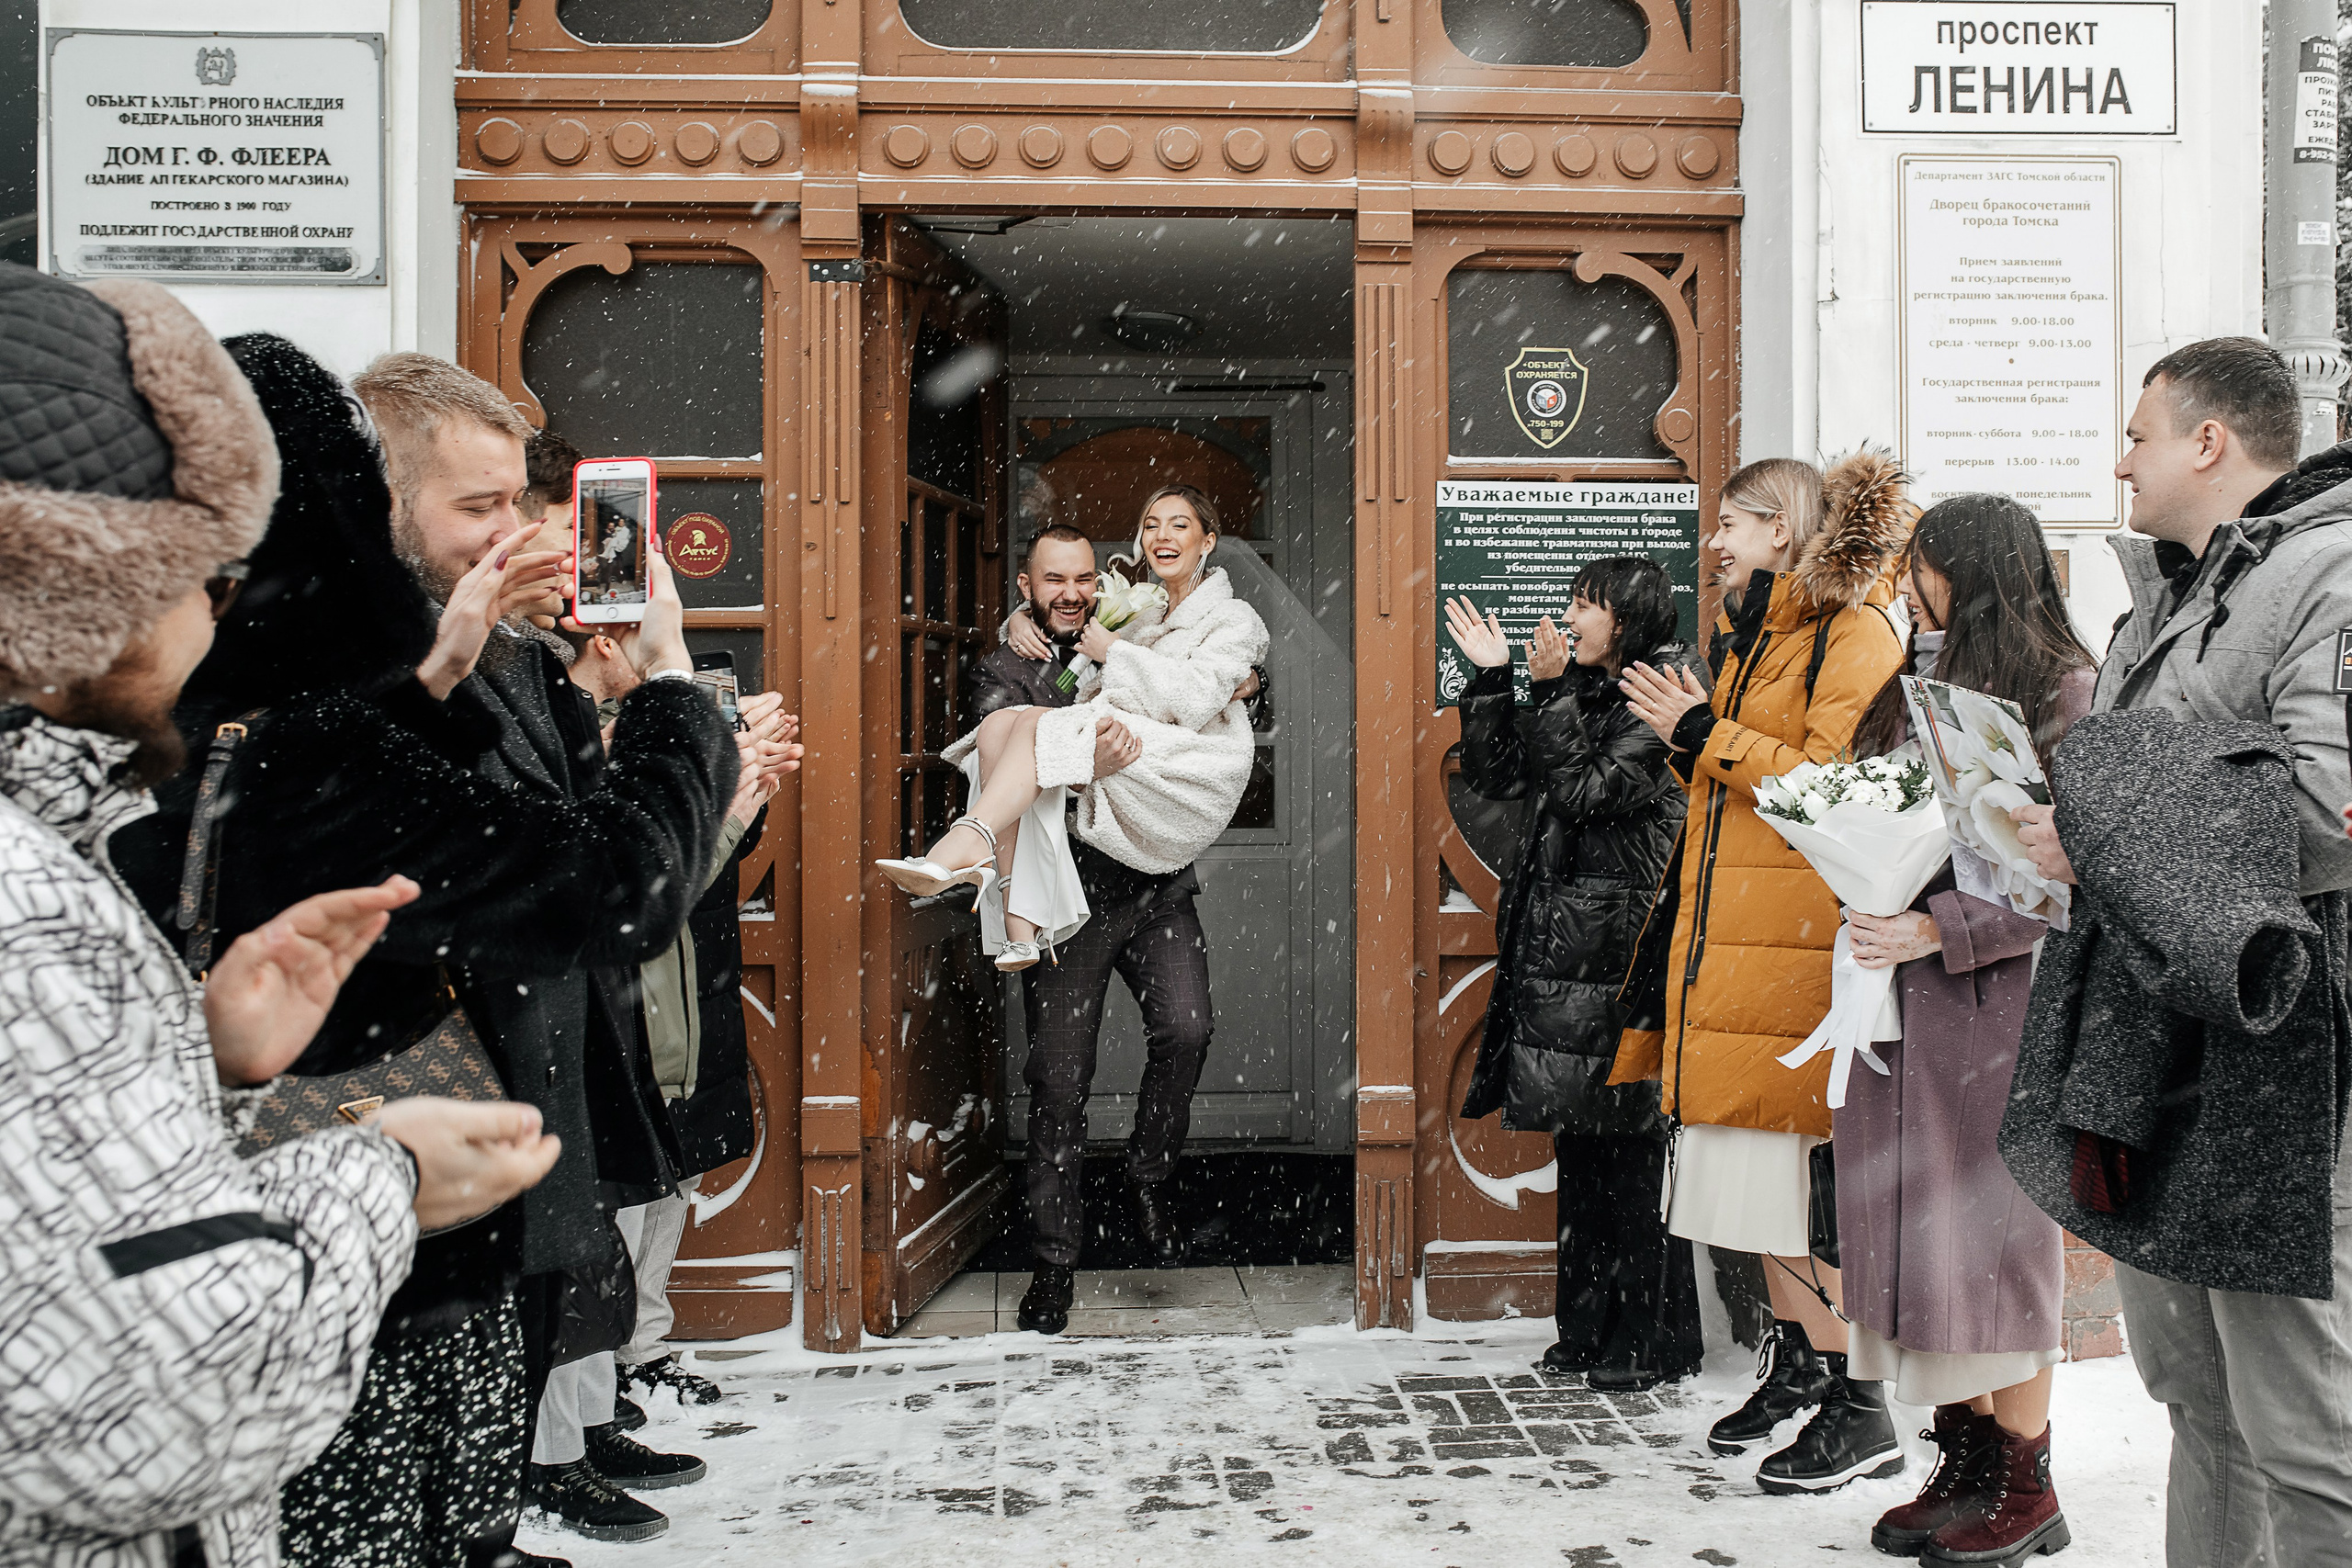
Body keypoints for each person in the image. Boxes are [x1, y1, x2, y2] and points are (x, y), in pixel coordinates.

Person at [108, 340, 737, 1562]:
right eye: (482, 505)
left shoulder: (282, 693)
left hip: (413, 1203)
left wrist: (442, 664)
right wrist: (670, 689)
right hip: (358, 1244)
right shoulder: (287, 720)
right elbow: (608, 887)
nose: (522, 532)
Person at [0, 265, 559, 1568]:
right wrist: (384, 1172)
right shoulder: (26, 897)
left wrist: (197, 1053)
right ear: (86, 584)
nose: (218, 612)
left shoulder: (51, 840)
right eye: (203, 574)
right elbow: (146, 1404)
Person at [2007, 337, 2352, 1568]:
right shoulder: (2171, 587)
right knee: (2199, 1402)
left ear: (2210, 440)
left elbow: (2327, 816)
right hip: (2156, 1037)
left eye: (2138, 433)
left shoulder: (2331, 576)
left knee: (2307, 1434)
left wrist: (2106, 824)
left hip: (2282, 1050)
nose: (2118, 461)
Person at [1614, 450, 1911, 1494]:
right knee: (1750, 1185)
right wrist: (1692, 733)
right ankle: (1802, 1368)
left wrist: (1701, 731)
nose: (1715, 539)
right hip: (1732, 941)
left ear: (1781, 529)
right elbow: (1736, 772)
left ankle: (1858, 1401)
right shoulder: (1766, 630)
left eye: (1733, 521)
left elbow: (1836, 787)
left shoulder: (1854, 631)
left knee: (1796, 1185)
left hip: (1790, 946)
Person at [1831, 496, 2097, 1562]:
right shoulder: (1913, 684)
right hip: (1897, 996)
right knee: (1916, 1240)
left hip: (1993, 1007)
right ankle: (1966, 1457)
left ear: (1972, 571)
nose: (1909, 580)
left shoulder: (2060, 693)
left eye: (1923, 564)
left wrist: (1933, 925)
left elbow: (2063, 877)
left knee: (1992, 1241)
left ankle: (2027, 1482)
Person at [928, 499, 1264, 1334]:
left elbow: (1214, 681)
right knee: (1057, 1082)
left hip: (1157, 884)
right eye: (1054, 581)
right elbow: (1006, 756)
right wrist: (1081, 767)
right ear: (1027, 587)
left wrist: (1255, 679)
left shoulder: (1134, 629)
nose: (1072, 594)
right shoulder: (1007, 665)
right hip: (1066, 895)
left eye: (1084, 577)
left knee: (1189, 1029)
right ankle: (1053, 1264)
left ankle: (1149, 1177)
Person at [1443, 557, 1704, 1393]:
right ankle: (1585, 1329)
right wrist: (1491, 683)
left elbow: (1594, 790)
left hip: (1619, 955)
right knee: (1582, 1150)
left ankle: (1646, 1338)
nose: (1570, 617)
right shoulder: (1583, 693)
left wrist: (1550, 694)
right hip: (1563, 959)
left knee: (1628, 1153)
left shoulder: (1664, 692)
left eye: (1585, 605)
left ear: (1626, 620)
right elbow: (1500, 775)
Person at [557, 625, 800, 1416]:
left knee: (677, 1168)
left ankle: (639, 1348)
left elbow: (717, 855)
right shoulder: (573, 742)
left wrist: (743, 784)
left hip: (697, 976)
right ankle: (603, 1372)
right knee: (628, 1182)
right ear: (596, 646)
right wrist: (729, 796)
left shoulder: (666, 724)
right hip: (630, 991)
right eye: (646, 643)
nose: (668, 664)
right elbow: (651, 877)